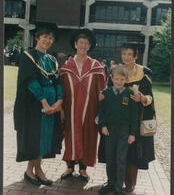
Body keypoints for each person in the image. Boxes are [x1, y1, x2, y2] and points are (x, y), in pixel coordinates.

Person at [101, 42, 155, 192]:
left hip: (136, 117)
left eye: (130, 54)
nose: (126, 57)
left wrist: (143, 99)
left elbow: (151, 97)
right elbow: (108, 91)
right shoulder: (117, 71)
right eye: (124, 54)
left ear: (136, 56)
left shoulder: (144, 72)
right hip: (116, 117)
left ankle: (129, 182)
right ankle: (112, 181)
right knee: (114, 151)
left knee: (133, 149)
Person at [14, 28, 63, 186]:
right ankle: (38, 171)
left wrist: (59, 101)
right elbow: (30, 81)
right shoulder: (28, 56)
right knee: (35, 136)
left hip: (51, 105)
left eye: (50, 38)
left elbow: (58, 81)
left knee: (44, 138)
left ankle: (30, 171)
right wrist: (45, 102)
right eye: (44, 37)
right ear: (37, 38)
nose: (47, 40)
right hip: (35, 105)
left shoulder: (51, 59)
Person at [60, 28, 106, 181]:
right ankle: (70, 166)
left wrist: (102, 111)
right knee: (70, 135)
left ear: (89, 46)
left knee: (88, 136)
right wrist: (60, 108)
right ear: (75, 44)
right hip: (71, 109)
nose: (83, 45)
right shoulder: (67, 66)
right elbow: (62, 90)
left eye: (86, 43)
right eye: (81, 42)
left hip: (90, 110)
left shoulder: (96, 66)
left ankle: (83, 168)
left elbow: (102, 90)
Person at [98, 64, 138, 195]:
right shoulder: (106, 93)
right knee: (110, 159)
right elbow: (101, 112)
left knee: (120, 160)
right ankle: (110, 184)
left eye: (122, 79)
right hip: (109, 131)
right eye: (116, 79)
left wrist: (132, 133)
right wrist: (102, 125)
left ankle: (119, 190)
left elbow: (134, 115)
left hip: (124, 131)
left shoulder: (129, 94)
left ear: (126, 80)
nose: (119, 82)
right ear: (111, 78)